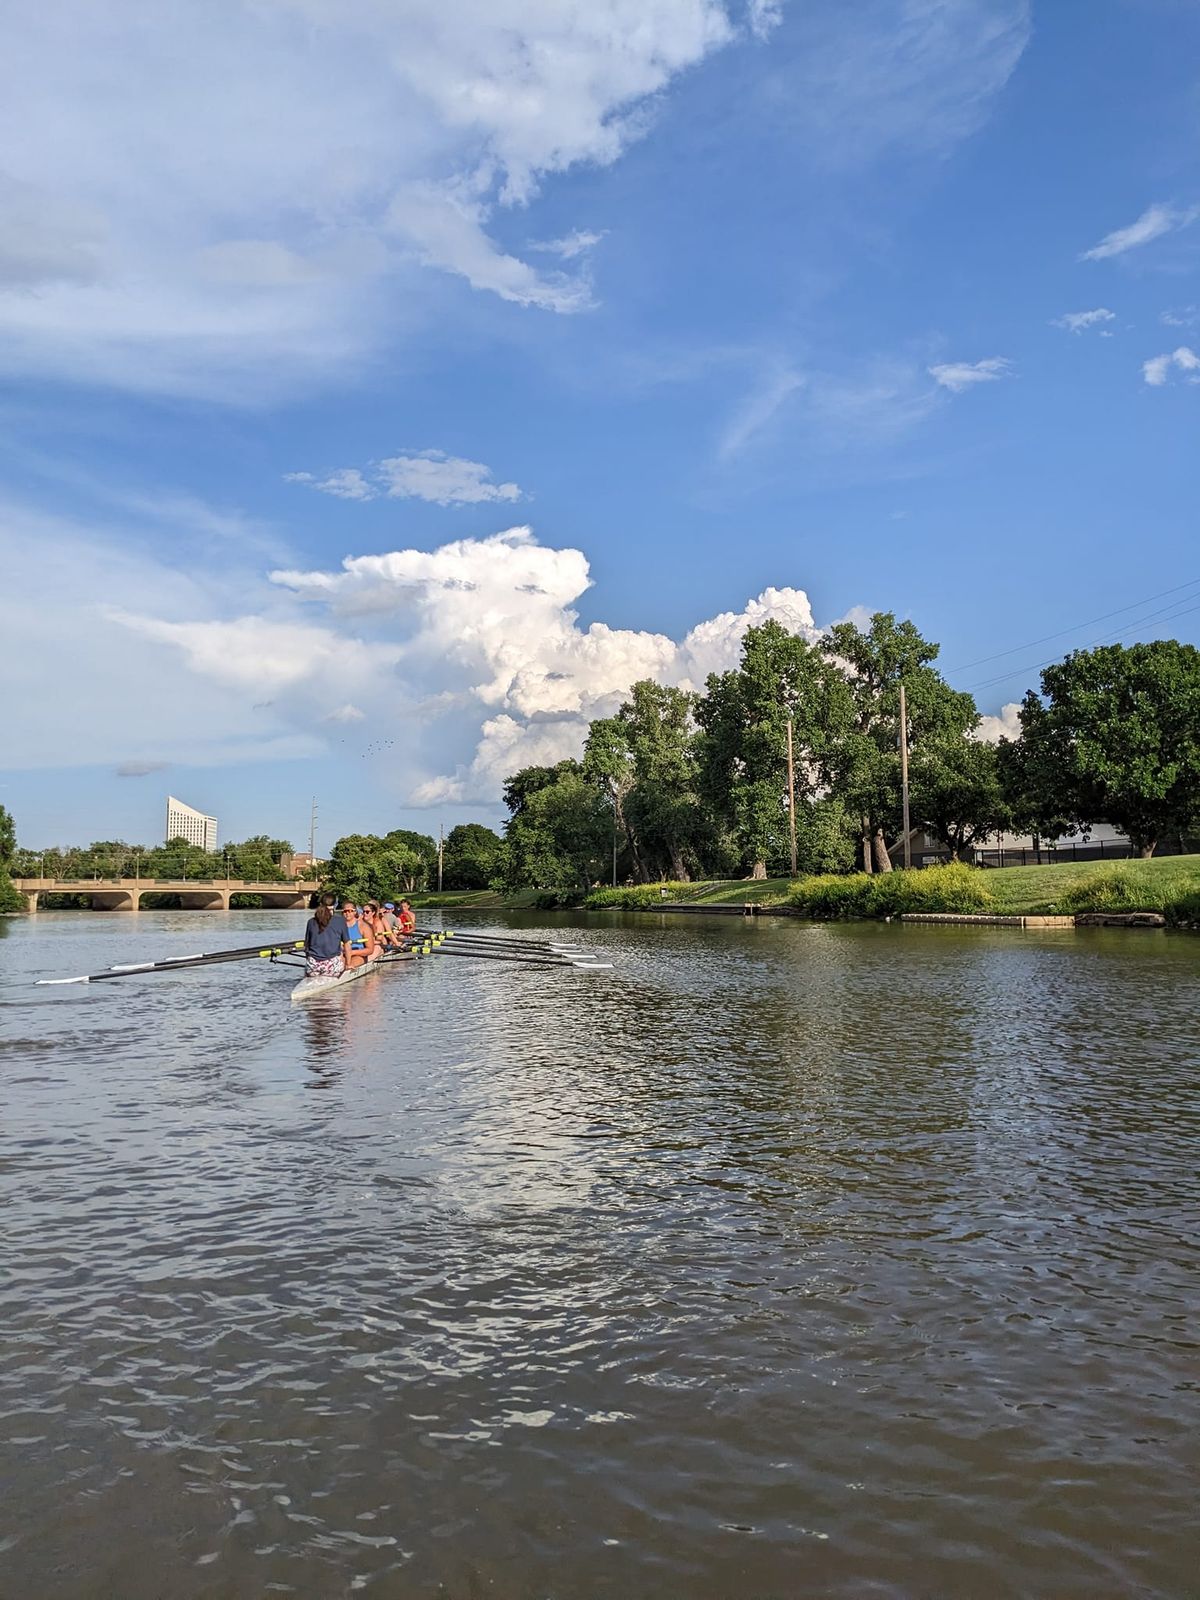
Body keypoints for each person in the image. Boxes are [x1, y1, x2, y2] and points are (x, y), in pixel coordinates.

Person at [303, 898, 349, 980]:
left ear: (320, 904)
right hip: (332, 968)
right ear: (334, 906)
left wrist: (309, 962)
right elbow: (347, 944)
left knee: (309, 966)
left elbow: (306, 946)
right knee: (341, 953)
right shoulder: (340, 920)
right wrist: (348, 965)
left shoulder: (310, 922)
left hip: (313, 967)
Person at [341, 902, 377, 969]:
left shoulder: (363, 927)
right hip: (342, 954)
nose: (347, 913)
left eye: (350, 911)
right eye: (345, 911)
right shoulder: (338, 926)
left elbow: (370, 950)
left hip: (358, 955)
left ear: (355, 912)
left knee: (348, 965)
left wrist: (351, 952)